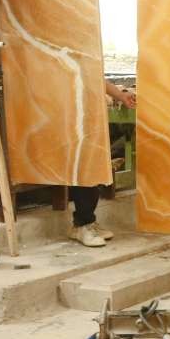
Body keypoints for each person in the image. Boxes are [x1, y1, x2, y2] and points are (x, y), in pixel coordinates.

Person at [68, 80, 136, 248]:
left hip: (84, 110)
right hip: (67, 111)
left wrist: (119, 94)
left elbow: (94, 75)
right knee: (84, 166)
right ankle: (83, 224)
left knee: (92, 165)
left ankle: (85, 223)